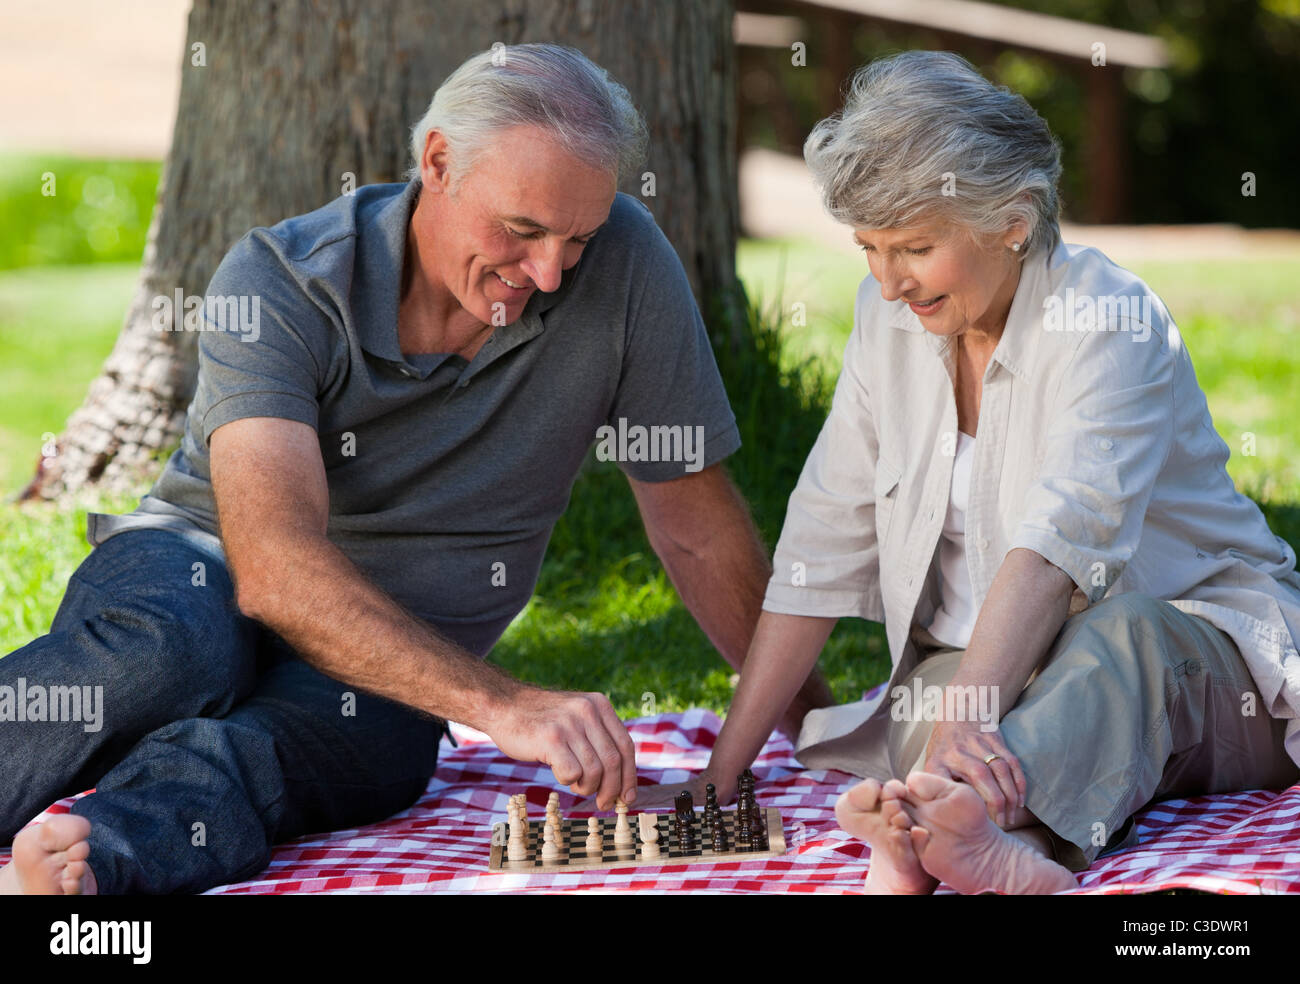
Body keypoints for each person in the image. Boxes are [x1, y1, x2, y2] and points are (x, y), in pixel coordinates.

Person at [0, 43, 834, 895]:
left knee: (294, 751)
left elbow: (697, 529)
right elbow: (274, 567)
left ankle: (81, 872)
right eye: (523, 229)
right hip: (203, 560)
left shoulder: (626, 267)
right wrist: (505, 707)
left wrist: (820, 728)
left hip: (398, 662)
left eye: (576, 237)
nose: (548, 272)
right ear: (437, 161)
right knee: (175, 656)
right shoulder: (284, 279)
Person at [653, 50, 1300, 894]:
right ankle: (959, 837)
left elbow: (1057, 547)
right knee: (930, 699)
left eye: (915, 246)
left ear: (1014, 221)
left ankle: (979, 832)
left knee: (1115, 639)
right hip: (1004, 673)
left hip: (1199, 669)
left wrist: (970, 715)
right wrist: (722, 771)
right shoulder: (884, 322)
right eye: (869, 248)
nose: (888, 283)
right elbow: (821, 544)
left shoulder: (1107, 317)